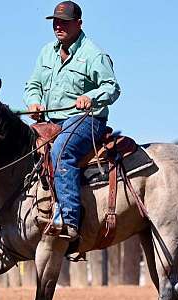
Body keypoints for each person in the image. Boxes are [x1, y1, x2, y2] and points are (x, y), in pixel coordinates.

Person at [24, 1, 121, 240]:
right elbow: (33, 84)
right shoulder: (47, 51)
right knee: (22, 149)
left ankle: (69, 219)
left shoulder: (93, 54)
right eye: (56, 22)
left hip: (86, 121)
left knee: (61, 151)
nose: (59, 26)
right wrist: (34, 102)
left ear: (79, 23)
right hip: (51, 121)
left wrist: (91, 96)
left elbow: (113, 87)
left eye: (65, 22)